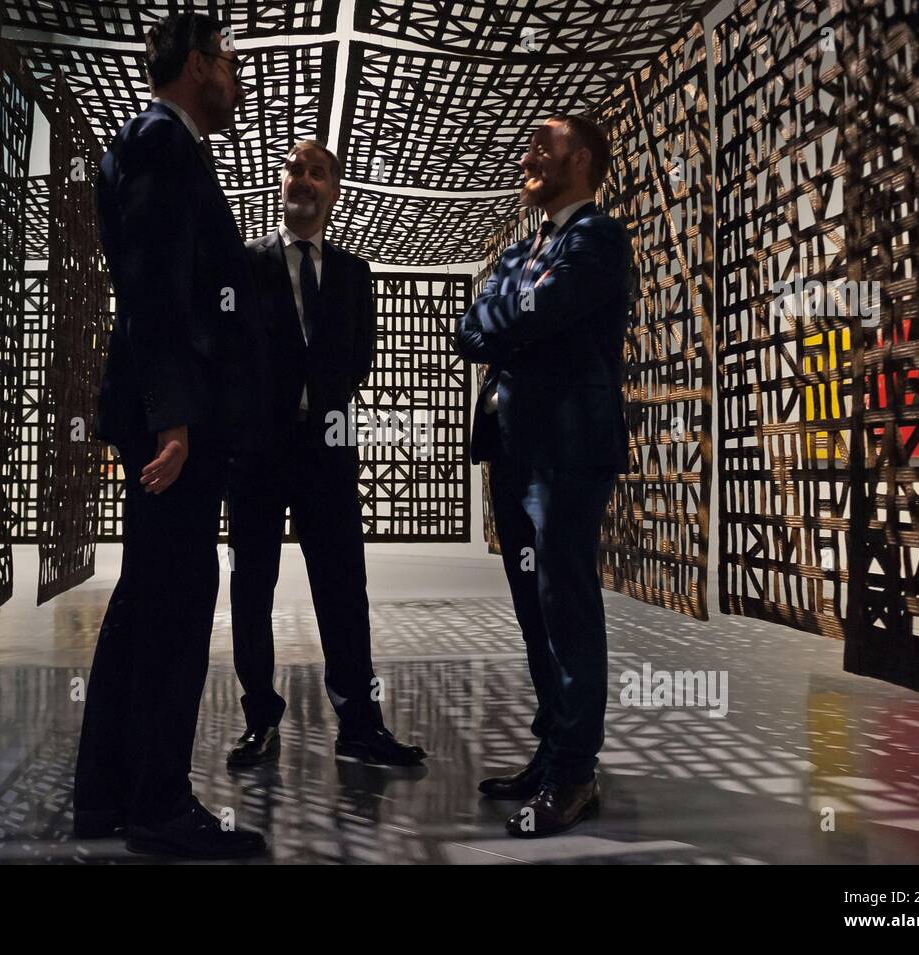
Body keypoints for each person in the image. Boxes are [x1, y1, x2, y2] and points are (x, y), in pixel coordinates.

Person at [72, 12, 270, 859]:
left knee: (145, 599)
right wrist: (176, 420)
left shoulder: (156, 142)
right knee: (178, 605)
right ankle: (158, 803)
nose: (235, 76)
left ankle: (106, 794)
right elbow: (154, 295)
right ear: (196, 65)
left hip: (169, 416)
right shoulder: (161, 144)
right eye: (227, 60)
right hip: (173, 427)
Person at [454, 114, 631, 838]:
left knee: (566, 604)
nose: (526, 156)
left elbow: (543, 309)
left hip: (568, 446)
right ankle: (553, 749)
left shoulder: (597, 238)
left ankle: (575, 772)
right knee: (534, 608)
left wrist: (508, 314)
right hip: (514, 446)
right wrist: (511, 313)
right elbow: (469, 332)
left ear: (581, 160)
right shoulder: (525, 248)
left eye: (541, 147)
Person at [225, 140, 427, 768]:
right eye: (295, 170)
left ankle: (360, 724)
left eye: (318, 173)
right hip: (258, 449)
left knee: (343, 587)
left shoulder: (351, 273)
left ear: (333, 192)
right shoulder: (244, 263)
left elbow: (357, 357)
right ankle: (260, 715)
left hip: (329, 448)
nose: (304, 180)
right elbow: (228, 350)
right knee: (252, 587)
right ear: (280, 183)